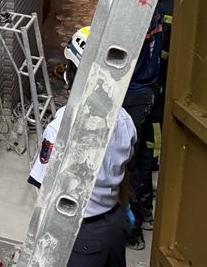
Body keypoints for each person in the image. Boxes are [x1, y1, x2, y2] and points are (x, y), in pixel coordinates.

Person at [29, 26, 137, 267]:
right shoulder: (124, 118)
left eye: (69, 67)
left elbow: (43, 190)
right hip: (115, 226)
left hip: (80, 236)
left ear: (77, 73)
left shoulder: (63, 125)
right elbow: (125, 171)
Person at [123, 8, 165, 249]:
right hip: (148, 91)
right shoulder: (155, 8)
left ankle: (133, 229)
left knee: (128, 160)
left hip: (133, 92)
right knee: (142, 157)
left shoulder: (133, 14)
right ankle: (145, 213)